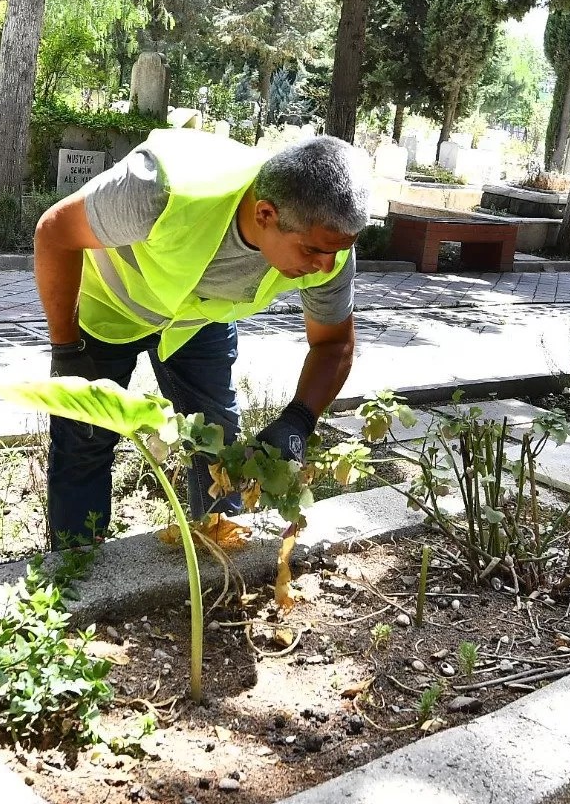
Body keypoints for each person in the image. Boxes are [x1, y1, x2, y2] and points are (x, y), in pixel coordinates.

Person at [32, 128, 370, 545]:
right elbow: (54, 232)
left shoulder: (327, 241)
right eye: (313, 252)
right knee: (84, 438)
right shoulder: (159, 188)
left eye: (338, 250)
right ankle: (74, 567)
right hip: (112, 310)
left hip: (197, 320)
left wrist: (298, 420)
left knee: (217, 441)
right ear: (265, 214)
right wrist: (66, 348)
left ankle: (219, 551)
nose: (327, 265)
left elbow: (334, 344)